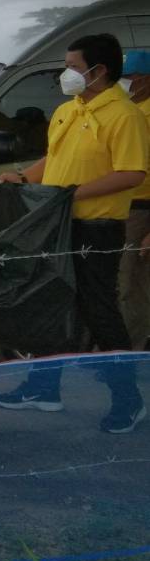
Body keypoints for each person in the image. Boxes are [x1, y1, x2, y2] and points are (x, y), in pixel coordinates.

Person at [0, 33, 147, 433]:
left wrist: (74, 193)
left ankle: (128, 399)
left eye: (73, 67)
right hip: (59, 224)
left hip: (97, 227)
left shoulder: (123, 115)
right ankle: (44, 388)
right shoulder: (68, 110)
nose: (67, 74)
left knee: (100, 312)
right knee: (51, 304)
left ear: (100, 71)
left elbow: (132, 173)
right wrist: (24, 176)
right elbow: (55, 157)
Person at [119, 49, 150, 351]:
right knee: (119, 285)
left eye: (131, 77)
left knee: (131, 288)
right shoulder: (126, 111)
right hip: (120, 207)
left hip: (142, 210)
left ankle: (130, 353)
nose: (126, 83)